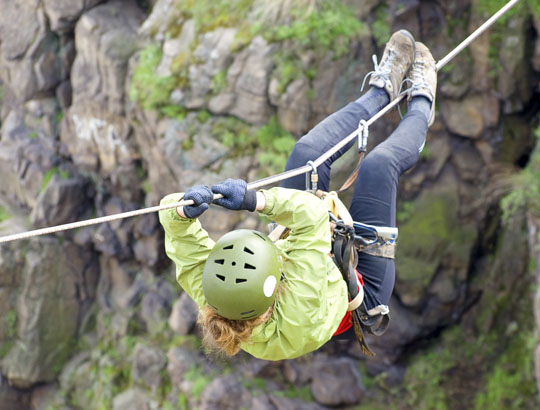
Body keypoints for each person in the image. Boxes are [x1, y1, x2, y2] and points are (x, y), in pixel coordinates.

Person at [159, 30, 437, 360]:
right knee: (379, 165)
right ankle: (422, 104)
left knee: (307, 152)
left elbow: (182, 243)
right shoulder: (298, 310)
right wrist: (254, 200)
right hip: (358, 288)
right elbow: (313, 216)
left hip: (302, 252)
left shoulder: (217, 291)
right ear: (274, 287)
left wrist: (182, 212)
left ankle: (381, 91)